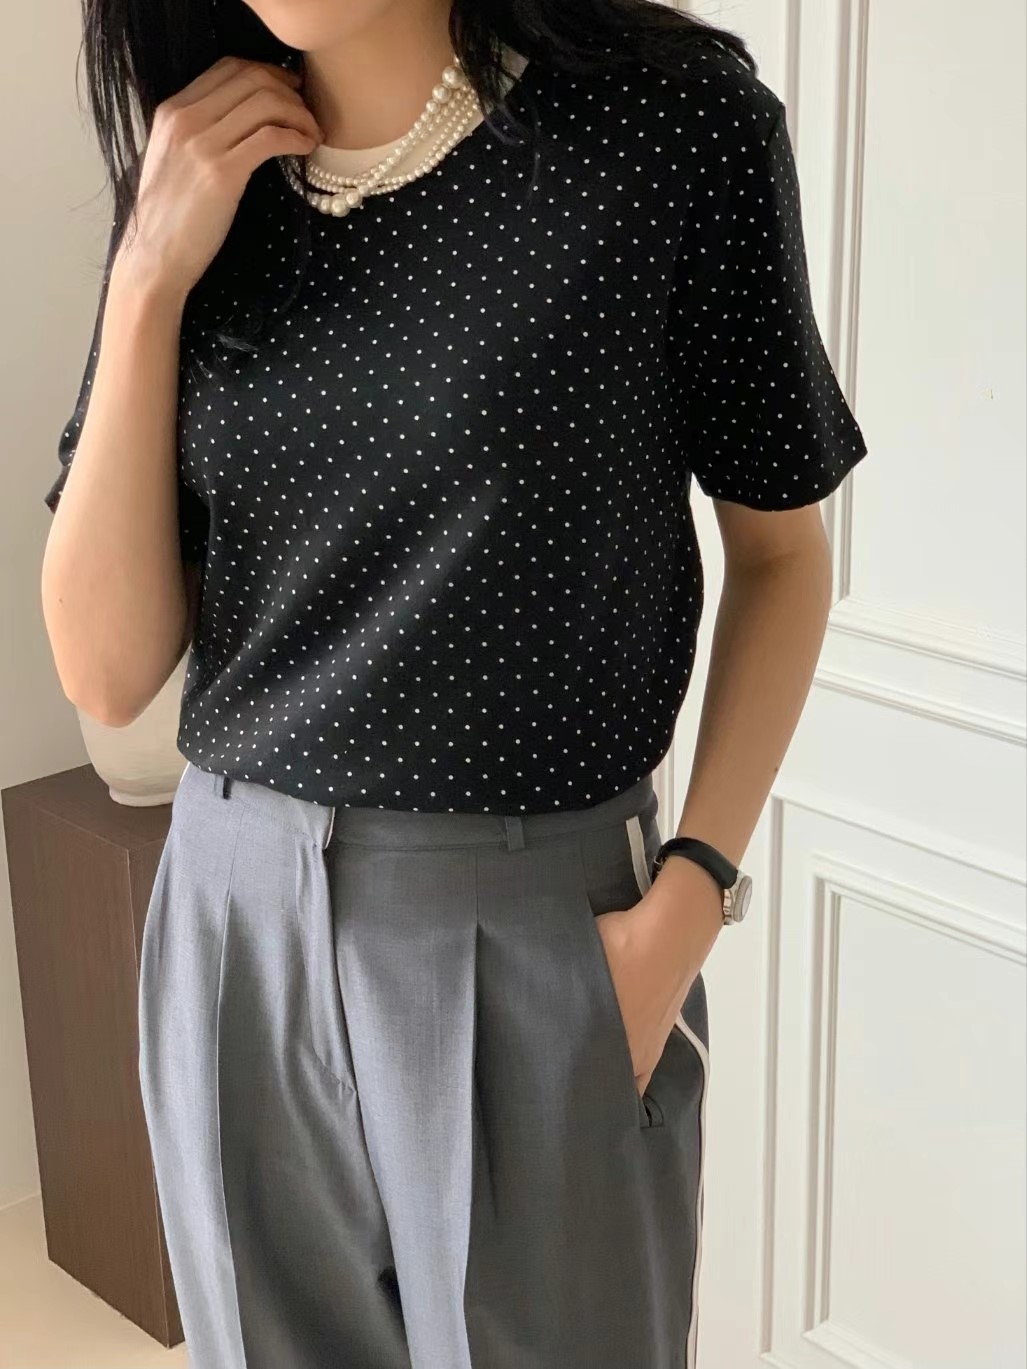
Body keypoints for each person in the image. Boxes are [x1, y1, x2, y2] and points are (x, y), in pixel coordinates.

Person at [40, 0, 869, 1365]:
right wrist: (147, 281)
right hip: (234, 919)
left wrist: (693, 895)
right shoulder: (199, 174)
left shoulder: (673, 128)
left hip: (537, 931)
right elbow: (105, 665)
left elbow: (781, 555)